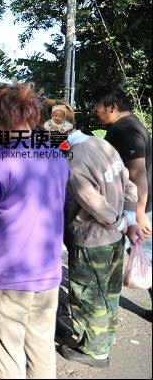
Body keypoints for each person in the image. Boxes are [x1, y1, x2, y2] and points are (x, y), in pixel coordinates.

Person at [0, 83, 70, 378]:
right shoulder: (57, 158)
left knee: (7, 357)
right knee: (40, 349)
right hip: (49, 273)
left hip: (6, 277)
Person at [60, 124, 145, 367]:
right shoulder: (101, 144)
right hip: (115, 239)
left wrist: (118, 223)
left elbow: (95, 204)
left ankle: (94, 351)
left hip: (92, 240)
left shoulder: (73, 162)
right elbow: (128, 184)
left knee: (88, 295)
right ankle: (107, 337)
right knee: (108, 290)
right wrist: (128, 221)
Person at [89, 85, 152, 318]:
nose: (96, 113)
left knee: (147, 257)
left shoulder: (125, 130)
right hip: (137, 205)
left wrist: (139, 213)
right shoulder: (130, 124)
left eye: (98, 108)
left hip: (139, 207)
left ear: (112, 107)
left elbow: (137, 174)